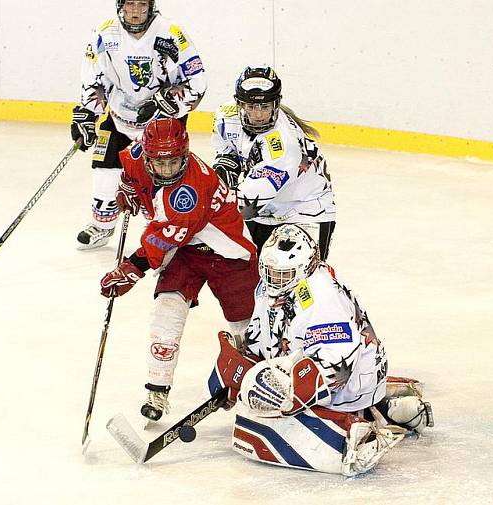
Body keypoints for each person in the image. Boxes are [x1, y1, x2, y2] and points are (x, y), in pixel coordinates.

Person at [209, 224, 433, 476]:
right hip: (336, 375)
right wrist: (239, 365)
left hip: (348, 386)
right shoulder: (272, 287)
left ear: (304, 268)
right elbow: (261, 336)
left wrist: (286, 393)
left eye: (282, 274)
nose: (273, 279)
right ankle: (385, 409)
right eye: (269, 271)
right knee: (254, 391)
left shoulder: (321, 296)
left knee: (256, 412)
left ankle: (353, 437)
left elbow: (337, 364)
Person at [99, 118, 259, 422]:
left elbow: (158, 242)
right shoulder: (138, 154)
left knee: (247, 329)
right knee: (166, 310)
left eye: (174, 162)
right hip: (186, 251)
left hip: (230, 255)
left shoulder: (189, 194)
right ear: (147, 156)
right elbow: (129, 171)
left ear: (185, 155)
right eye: (159, 164)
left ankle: (256, 386)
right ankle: (157, 391)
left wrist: (129, 270)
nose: (167, 170)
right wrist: (129, 189)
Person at [71, 0, 207, 250]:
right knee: (105, 175)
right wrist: (87, 112)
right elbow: (93, 77)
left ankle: (165, 228)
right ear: (120, 6)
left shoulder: (171, 33)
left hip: (162, 124)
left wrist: (163, 101)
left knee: (160, 180)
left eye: (141, 4)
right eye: (130, 4)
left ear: (151, 6)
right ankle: (102, 226)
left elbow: (196, 82)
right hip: (119, 118)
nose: (135, 11)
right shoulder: (105, 33)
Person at [211, 66, 336, 259]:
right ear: (240, 104)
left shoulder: (283, 147)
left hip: (304, 209)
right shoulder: (225, 116)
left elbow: (246, 206)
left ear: (275, 105)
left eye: (265, 107)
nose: (258, 114)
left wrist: (201, 208)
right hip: (266, 208)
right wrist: (226, 166)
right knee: (251, 276)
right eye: (251, 107)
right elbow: (227, 151)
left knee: (296, 277)